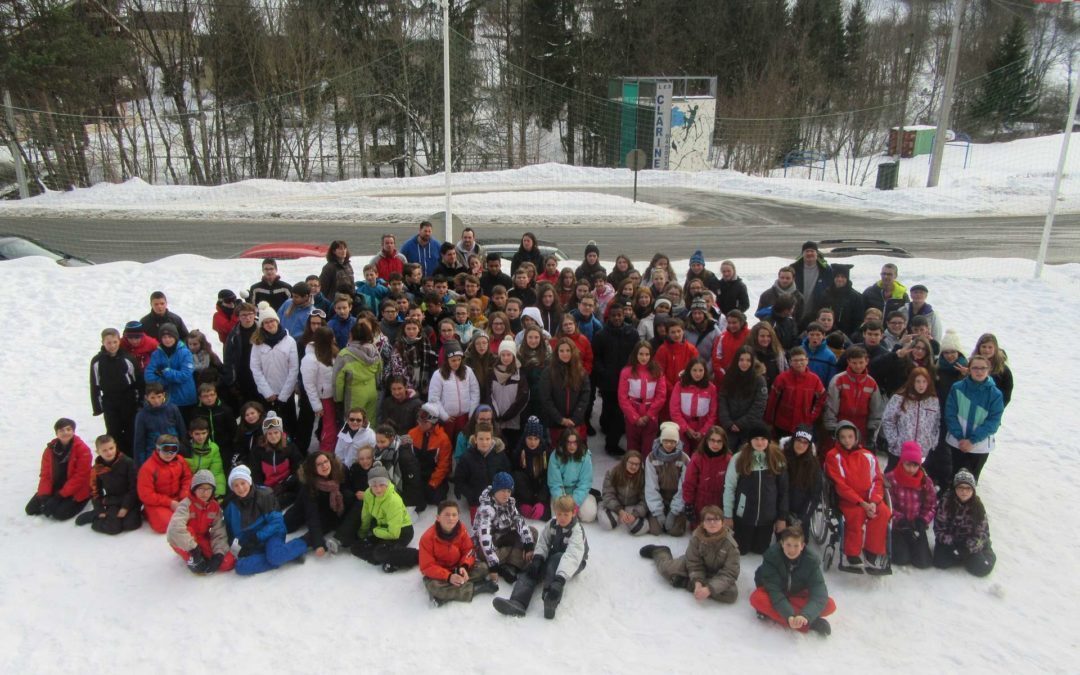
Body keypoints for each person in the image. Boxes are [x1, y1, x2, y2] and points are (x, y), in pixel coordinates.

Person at [492, 495, 588, 620]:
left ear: (573, 513)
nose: (562, 518)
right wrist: (538, 559)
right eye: (559, 514)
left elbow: (572, 556)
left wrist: (560, 580)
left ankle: (550, 597)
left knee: (555, 560)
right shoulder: (552, 524)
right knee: (531, 568)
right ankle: (517, 602)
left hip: (575, 562)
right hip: (556, 554)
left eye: (566, 514)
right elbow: (543, 542)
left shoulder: (577, 531)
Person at [824, 420, 891, 574]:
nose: (847, 440)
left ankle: (872, 551)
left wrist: (874, 501)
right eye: (843, 437)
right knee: (856, 515)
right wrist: (861, 503)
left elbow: (877, 479)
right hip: (849, 499)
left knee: (883, 513)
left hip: (870, 497)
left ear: (856, 437)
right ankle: (852, 553)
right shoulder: (833, 456)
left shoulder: (867, 455)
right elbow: (840, 485)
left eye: (850, 436)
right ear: (838, 438)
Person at [639, 504, 739, 603]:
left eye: (716, 519)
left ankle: (685, 582)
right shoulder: (697, 537)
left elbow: (730, 573)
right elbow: (693, 562)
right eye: (708, 519)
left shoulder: (730, 545)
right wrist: (698, 582)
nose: (712, 522)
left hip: (716, 574)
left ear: (722, 523)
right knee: (666, 569)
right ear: (703, 523)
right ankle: (660, 551)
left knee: (731, 594)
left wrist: (709, 589)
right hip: (693, 566)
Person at [750, 525, 835, 636]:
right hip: (776, 594)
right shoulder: (771, 557)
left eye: (796, 545)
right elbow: (775, 592)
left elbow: (819, 593)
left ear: (802, 546)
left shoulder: (811, 561)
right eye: (788, 545)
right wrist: (789, 616)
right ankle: (809, 623)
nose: (792, 550)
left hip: (797, 594)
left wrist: (805, 615)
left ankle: (788, 616)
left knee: (829, 605)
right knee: (757, 598)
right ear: (782, 543)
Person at [223, 465, 307, 575]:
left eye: (243, 483)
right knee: (240, 566)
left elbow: (276, 523)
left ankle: (301, 544)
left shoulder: (264, 495)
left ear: (249, 481)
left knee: (275, 556)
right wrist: (239, 545)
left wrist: (257, 537)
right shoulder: (230, 505)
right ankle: (287, 555)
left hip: (272, 534)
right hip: (251, 541)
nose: (240, 488)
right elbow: (231, 530)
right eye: (236, 485)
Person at [723, 426, 788, 554]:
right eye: (756, 439)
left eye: (763, 439)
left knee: (761, 550)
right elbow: (730, 488)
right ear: (749, 441)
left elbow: (783, 490)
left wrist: (782, 517)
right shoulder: (738, 458)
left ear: (769, 440)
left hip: (767, 518)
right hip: (744, 517)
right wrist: (728, 515)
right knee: (741, 550)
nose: (759, 442)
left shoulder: (777, 459)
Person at [420, 500, 500, 606]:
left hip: (457, 568)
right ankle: (478, 587)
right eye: (447, 515)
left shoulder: (461, 529)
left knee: (483, 568)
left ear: (458, 517)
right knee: (434, 586)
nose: (451, 518)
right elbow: (427, 566)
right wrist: (448, 576)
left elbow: (469, 550)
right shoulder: (427, 538)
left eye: (454, 515)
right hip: (440, 574)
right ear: (438, 517)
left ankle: (447, 595)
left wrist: (464, 566)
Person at [350, 462, 420, 572]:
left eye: (382, 484)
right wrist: (362, 534)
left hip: (401, 532)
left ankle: (418, 556)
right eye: (374, 485)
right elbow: (366, 515)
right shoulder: (368, 494)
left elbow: (394, 533)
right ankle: (388, 558)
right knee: (355, 547)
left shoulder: (393, 501)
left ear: (387, 483)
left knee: (379, 552)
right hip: (383, 529)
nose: (378, 489)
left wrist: (375, 531)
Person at [944, 354, 1004, 482]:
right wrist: (960, 437)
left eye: (983, 368)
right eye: (975, 368)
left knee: (971, 481)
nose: (979, 371)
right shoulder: (957, 388)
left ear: (988, 370)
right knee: (955, 477)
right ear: (969, 369)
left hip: (980, 446)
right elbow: (950, 413)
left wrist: (972, 441)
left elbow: (993, 422)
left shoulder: (995, 394)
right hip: (957, 442)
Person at [284, 451, 354, 556]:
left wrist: (318, 543)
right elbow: (312, 515)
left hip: (326, 511)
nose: (324, 466)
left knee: (348, 496)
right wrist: (318, 543)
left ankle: (291, 550)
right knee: (286, 525)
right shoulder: (309, 483)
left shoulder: (340, 473)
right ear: (313, 468)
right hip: (304, 509)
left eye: (326, 461)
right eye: (319, 464)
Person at [166, 470, 236, 574]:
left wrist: (219, 554)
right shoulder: (185, 505)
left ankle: (203, 555)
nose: (205, 493)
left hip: (201, 539)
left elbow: (219, 532)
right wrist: (194, 550)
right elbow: (174, 529)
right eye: (201, 488)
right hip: (184, 541)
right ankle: (191, 558)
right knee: (199, 566)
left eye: (209, 489)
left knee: (227, 562)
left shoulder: (214, 507)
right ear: (194, 489)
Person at [473, 472, 537, 582]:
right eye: (502, 490)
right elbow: (484, 538)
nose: (506, 494)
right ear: (495, 490)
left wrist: (528, 545)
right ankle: (500, 564)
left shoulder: (509, 503)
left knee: (532, 532)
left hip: (502, 538)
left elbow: (519, 522)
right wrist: (493, 565)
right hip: (486, 547)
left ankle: (512, 565)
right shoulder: (487, 508)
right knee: (486, 555)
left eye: (508, 491)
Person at [26, 418, 93, 521]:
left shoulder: (83, 450)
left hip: (78, 487)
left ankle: (86, 496)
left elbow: (80, 477)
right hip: (57, 485)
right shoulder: (50, 450)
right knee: (31, 509)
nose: (65, 432)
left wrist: (59, 496)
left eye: (68, 429)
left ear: (73, 431)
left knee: (60, 514)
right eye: (61, 430)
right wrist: (44, 495)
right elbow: (45, 474)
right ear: (56, 433)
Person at [90, 327, 142, 458]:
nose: (112, 345)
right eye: (108, 342)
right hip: (109, 401)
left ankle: (131, 461)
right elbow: (94, 384)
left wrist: (140, 401)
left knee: (131, 431)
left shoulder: (128, 358)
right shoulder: (97, 361)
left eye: (114, 342)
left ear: (119, 341)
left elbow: (138, 381)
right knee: (114, 432)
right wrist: (97, 407)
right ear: (103, 343)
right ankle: (116, 459)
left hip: (128, 400)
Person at [933, 469, 995, 577]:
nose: (964, 492)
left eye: (968, 488)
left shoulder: (978, 506)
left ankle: (985, 549)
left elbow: (982, 532)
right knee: (940, 562)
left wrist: (967, 548)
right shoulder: (946, 502)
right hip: (951, 541)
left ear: (973, 490)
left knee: (983, 568)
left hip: (969, 542)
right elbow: (939, 528)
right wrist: (952, 544)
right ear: (955, 488)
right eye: (960, 488)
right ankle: (961, 556)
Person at [250, 302, 300, 434]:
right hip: (266, 394)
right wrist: (267, 392)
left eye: (272, 321)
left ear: (277, 321)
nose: (269, 324)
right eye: (266, 322)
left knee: (289, 426)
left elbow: (294, 369)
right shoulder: (257, 344)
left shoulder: (289, 341)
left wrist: (284, 395)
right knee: (269, 428)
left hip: (285, 393)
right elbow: (255, 368)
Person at [75, 434, 142, 534]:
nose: (109, 452)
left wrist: (125, 507)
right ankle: (94, 516)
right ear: (98, 451)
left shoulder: (128, 463)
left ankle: (118, 516)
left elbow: (134, 487)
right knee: (113, 528)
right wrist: (99, 509)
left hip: (130, 500)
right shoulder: (97, 469)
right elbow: (95, 491)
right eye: (104, 450)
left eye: (111, 448)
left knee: (131, 524)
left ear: (115, 446)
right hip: (113, 501)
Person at [885, 442, 936, 569]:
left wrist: (923, 520)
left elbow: (931, 504)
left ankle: (915, 546)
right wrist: (899, 519)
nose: (911, 469)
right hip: (898, 526)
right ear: (902, 462)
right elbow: (886, 503)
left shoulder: (925, 481)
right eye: (908, 465)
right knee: (901, 558)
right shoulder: (890, 479)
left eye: (915, 465)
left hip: (916, 526)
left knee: (923, 562)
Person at [880, 366, 940, 473]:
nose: (921, 385)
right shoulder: (899, 398)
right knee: (893, 475)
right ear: (912, 382)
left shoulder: (933, 400)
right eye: (918, 381)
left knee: (915, 479)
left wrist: (932, 442)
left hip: (921, 450)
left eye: (924, 381)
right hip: (899, 449)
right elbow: (888, 420)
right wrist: (894, 440)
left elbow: (936, 423)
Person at [823, 345, 884, 444]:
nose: (858, 366)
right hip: (841, 425)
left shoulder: (871, 383)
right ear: (848, 362)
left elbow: (876, 409)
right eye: (854, 363)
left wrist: (872, 430)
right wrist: (831, 427)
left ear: (866, 362)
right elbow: (831, 405)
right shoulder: (838, 379)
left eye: (861, 362)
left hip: (861, 428)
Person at [538, 338, 591, 444]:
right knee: (558, 451)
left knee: (578, 451)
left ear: (573, 352)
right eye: (561, 351)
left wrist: (575, 418)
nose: (565, 354)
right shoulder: (548, 372)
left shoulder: (580, 372)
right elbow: (546, 398)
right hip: (556, 423)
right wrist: (560, 419)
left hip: (576, 422)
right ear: (556, 353)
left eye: (568, 350)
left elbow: (585, 396)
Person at [617, 341, 667, 455]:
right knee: (632, 446)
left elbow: (661, 396)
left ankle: (647, 470)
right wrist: (634, 417)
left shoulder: (657, 372)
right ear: (635, 354)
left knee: (648, 447)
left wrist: (648, 416)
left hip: (651, 414)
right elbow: (622, 397)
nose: (644, 357)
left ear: (651, 355)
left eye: (647, 354)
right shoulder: (626, 372)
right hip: (632, 412)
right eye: (641, 354)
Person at [136, 434, 192, 534]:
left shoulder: (180, 461)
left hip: (178, 497)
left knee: (196, 515)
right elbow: (146, 494)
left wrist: (184, 495)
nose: (169, 454)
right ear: (158, 449)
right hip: (158, 502)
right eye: (166, 449)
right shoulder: (148, 468)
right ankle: (148, 513)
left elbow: (187, 478)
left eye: (173, 449)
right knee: (166, 524)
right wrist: (170, 503)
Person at [454, 422, 512, 517]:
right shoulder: (467, 457)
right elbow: (459, 480)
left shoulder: (499, 455)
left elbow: (508, 476)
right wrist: (472, 495)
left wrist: (503, 494)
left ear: (492, 439)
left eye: (487, 439)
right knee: (481, 528)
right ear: (475, 439)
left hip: (497, 499)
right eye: (481, 439)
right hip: (476, 501)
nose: (484, 442)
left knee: (501, 526)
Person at [765, 347, 825, 439]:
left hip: (803, 425)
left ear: (807, 360)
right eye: (795, 360)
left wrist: (812, 416)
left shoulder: (815, 380)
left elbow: (821, 399)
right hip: (782, 424)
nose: (799, 363)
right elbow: (772, 401)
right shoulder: (782, 378)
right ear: (790, 362)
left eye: (802, 360)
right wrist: (769, 420)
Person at [644, 422, 691, 536]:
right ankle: (655, 513)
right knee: (656, 530)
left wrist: (674, 511)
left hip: (677, 499)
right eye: (666, 441)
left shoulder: (684, 459)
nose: (669, 444)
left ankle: (677, 515)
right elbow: (651, 486)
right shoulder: (651, 457)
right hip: (659, 497)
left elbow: (684, 487)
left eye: (672, 441)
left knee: (675, 532)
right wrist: (658, 511)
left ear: (677, 442)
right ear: (661, 440)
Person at [717, 346, 768, 451]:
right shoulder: (729, 376)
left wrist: (741, 423)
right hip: (729, 426)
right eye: (741, 360)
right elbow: (722, 399)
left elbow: (759, 405)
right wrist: (728, 422)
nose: (744, 363)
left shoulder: (759, 380)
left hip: (749, 428)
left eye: (748, 360)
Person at [250, 412, 304, 507]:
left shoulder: (289, 447)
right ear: (265, 435)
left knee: (303, 486)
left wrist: (285, 484)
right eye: (269, 434)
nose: (273, 436)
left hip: (287, 484)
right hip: (268, 488)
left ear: (281, 433)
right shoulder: (258, 450)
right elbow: (256, 473)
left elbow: (298, 467)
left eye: (276, 432)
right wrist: (264, 489)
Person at [334, 321, 382, 425]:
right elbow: (379, 372)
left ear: (351, 335)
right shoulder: (375, 350)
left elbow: (337, 380)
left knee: (353, 423)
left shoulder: (345, 354)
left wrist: (338, 399)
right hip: (372, 391)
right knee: (370, 422)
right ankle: (370, 441)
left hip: (354, 394)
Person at [682, 427, 732, 524]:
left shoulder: (729, 459)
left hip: (720, 502)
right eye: (712, 440)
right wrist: (688, 503)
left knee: (717, 532)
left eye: (719, 441)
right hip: (701, 502)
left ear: (724, 442)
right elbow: (689, 483)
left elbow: (732, 485)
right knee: (702, 532)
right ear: (706, 440)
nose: (715, 444)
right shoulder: (697, 458)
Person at [145, 322, 196, 415]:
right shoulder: (156, 354)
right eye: (164, 337)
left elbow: (185, 375)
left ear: (175, 337)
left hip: (185, 400)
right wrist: (167, 380)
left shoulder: (185, 353)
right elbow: (149, 376)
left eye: (170, 337)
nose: (167, 340)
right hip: (166, 401)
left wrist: (166, 372)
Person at [132, 382, 186, 469]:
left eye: (159, 396)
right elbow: (139, 442)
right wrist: (141, 466)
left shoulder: (173, 409)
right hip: (153, 456)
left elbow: (182, 431)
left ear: (163, 395)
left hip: (174, 453)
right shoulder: (141, 415)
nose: (156, 401)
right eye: (152, 398)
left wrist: (183, 451)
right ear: (146, 398)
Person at [547, 429, 597, 523]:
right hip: (561, 494)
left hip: (578, 492)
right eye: (569, 443)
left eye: (574, 442)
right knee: (558, 519)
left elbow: (585, 483)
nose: (572, 446)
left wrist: (574, 503)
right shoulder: (555, 456)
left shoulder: (585, 455)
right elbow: (555, 484)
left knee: (589, 515)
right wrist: (564, 503)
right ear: (564, 443)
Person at [669, 357, 718, 451]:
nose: (698, 374)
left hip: (703, 430)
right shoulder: (680, 386)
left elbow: (713, 414)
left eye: (701, 370)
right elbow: (674, 410)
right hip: (683, 429)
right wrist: (686, 428)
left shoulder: (711, 388)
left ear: (705, 371)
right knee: (684, 455)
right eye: (694, 370)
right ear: (689, 370)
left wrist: (703, 432)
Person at [598, 451, 649, 535]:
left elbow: (645, 499)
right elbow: (608, 494)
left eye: (637, 464)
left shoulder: (644, 477)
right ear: (625, 462)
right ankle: (607, 511)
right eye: (631, 463)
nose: (634, 466)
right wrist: (619, 511)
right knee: (607, 523)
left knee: (638, 529)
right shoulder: (613, 472)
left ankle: (627, 518)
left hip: (632, 506)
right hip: (615, 505)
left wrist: (635, 514)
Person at [511, 416, 552, 521]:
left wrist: (541, 501)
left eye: (536, 439)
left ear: (540, 439)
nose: (532, 442)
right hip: (525, 494)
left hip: (541, 492)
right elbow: (515, 479)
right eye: (529, 438)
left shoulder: (546, 453)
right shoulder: (518, 453)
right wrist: (522, 503)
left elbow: (548, 478)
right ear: (524, 438)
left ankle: (540, 507)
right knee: (518, 475)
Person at [782, 426, 823, 528]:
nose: (801, 445)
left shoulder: (814, 465)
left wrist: (802, 519)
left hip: (800, 517)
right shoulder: (781, 459)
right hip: (781, 515)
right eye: (798, 440)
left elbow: (814, 495)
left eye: (805, 442)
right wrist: (781, 516)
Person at [183, 417, 226, 496]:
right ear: (190, 434)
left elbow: (217, 472)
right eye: (197, 434)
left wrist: (219, 493)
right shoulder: (184, 448)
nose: (201, 437)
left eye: (204, 433)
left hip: (204, 484)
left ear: (208, 432)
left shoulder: (213, 448)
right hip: (187, 485)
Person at [818, 263, 864, 336]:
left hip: (846, 336)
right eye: (837, 276)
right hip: (825, 335)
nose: (840, 279)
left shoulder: (856, 297)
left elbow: (858, 320)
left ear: (847, 278)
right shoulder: (825, 294)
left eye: (843, 277)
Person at [973, 333, 1013, 408]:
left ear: (995, 349)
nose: (986, 350)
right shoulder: (971, 365)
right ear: (978, 347)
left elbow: (1006, 395)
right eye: (984, 347)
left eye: (990, 347)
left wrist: (995, 409)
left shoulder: (1003, 370)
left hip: (992, 411)